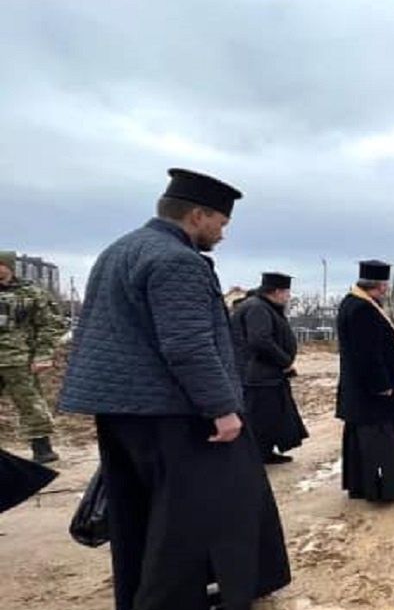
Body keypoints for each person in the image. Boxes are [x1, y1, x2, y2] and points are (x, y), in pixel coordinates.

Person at [59, 168, 290, 610]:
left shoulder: (119, 250)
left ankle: (141, 595)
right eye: (220, 224)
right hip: (174, 413)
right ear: (198, 215)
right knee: (196, 517)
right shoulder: (176, 260)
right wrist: (222, 408)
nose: (222, 234)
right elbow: (187, 344)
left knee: (140, 514)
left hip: (124, 411)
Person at [336, 260, 394, 503]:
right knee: (378, 443)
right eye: (385, 285)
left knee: (368, 440)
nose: (386, 290)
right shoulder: (361, 309)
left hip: (364, 392)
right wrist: (381, 384)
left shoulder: (356, 303)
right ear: (380, 286)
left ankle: (364, 484)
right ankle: (384, 488)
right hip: (373, 394)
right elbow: (367, 353)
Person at [231, 272, 308, 465]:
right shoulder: (257, 308)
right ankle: (255, 455)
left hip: (266, 374)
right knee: (260, 418)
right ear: (276, 291)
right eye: (286, 292)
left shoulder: (263, 306)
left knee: (271, 417)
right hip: (257, 375)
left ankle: (264, 452)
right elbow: (260, 340)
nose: (288, 296)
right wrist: (285, 362)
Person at [0, 250, 67, 464]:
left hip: (18, 360)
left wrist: (43, 355)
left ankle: (42, 449)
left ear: (8, 267)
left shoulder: (31, 293)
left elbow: (50, 325)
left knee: (30, 404)